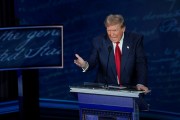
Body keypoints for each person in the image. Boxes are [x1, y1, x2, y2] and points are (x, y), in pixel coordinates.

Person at [74, 14, 149, 94]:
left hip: (130, 90)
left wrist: (141, 83)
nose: (111, 34)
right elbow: (93, 61)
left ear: (123, 29)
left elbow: (141, 63)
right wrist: (85, 65)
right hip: (105, 91)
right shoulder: (99, 41)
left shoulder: (135, 40)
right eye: (108, 30)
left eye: (114, 30)